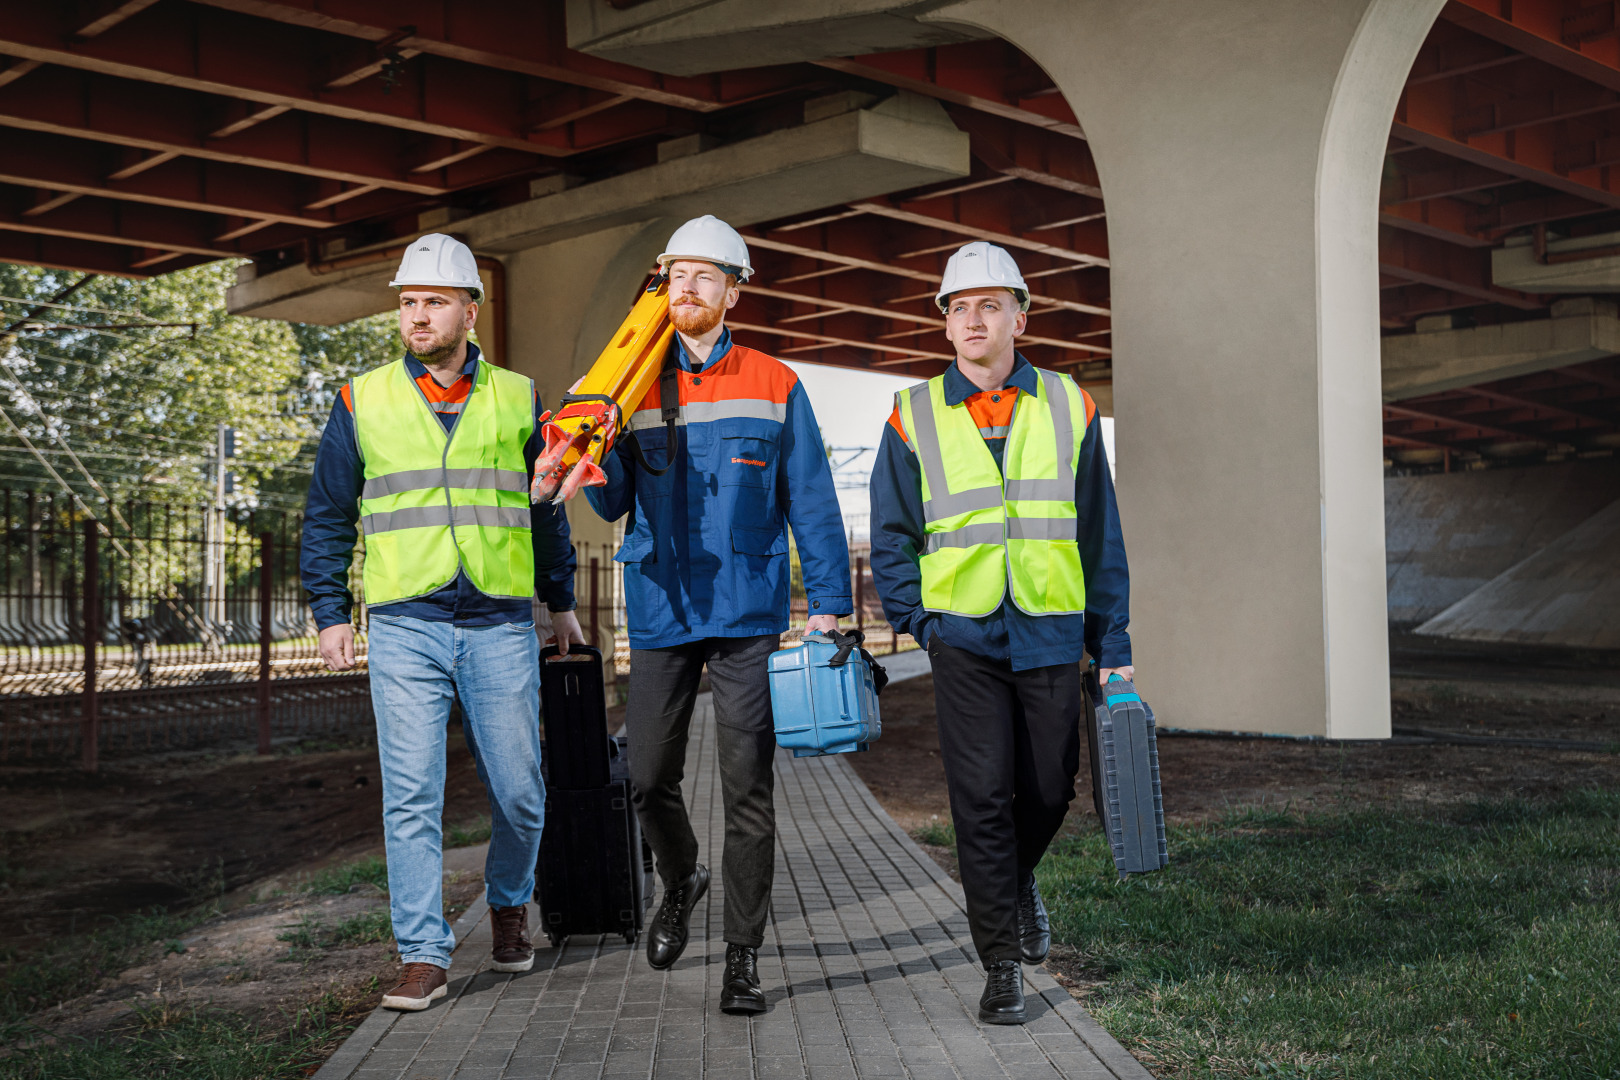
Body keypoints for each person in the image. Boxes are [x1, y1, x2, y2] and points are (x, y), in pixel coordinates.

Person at [303, 233, 584, 1012]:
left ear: (469, 309)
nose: (416, 315)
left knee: (523, 791)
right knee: (412, 793)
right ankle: (423, 955)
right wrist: (331, 611)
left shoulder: (522, 397)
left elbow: (545, 508)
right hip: (405, 622)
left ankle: (506, 904)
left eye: (431, 301)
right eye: (407, 302)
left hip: (498, 620)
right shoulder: (362, 398)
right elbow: (327, 514)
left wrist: (558, 603)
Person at [584, 215, 850, 1015]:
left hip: (747, 613)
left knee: (748, 790)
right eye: (675, 276)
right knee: (646, 778)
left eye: (705, 276)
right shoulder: (624, 385)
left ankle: (743, 957)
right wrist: (584, 455)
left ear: (734, 290)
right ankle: (682, 879)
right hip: (662, 607)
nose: (687, 289)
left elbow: (811, 499)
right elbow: (613, 499)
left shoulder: (775, 382)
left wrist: (831, 605)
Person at [868, 241, 1132, 1025]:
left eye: (989, 304)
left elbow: (1100, 535)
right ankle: (1000, 964)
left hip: (1052, 629)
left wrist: (1112, 647)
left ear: (1021, 315)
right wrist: (922, 624)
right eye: (959, 307)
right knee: (979, 799)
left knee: (1051, 787)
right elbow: (892, 534)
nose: (973, 319)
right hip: (966, 639)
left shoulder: (1069, 404)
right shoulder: (911, 415)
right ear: (946, 327)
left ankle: (1015, 881)